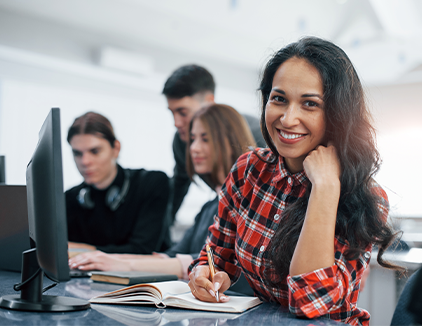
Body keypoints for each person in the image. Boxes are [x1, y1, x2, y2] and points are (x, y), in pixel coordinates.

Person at [187, 37, 405, 325]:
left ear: (337, 114)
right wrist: (203, 273)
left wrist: (325, 188)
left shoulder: (364, 196)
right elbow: (215, 256)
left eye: (310, 104)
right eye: (279, 99)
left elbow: (309, 302)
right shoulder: (248, 170)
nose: (288, 119)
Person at [68, 104, 256, 281]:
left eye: (205, 139)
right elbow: (170, 257)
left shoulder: (249, 202)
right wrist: (104, 259)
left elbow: (212, 263)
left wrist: (121, 264)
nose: (193, 148)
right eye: (192, 139)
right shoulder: (209, 207)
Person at [163, 64, 266, 222]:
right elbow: (178, 187)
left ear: (209, 102)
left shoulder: (258, 134)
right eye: (172, 112)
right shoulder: (180, 142)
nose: (176, 123)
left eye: (183, 112)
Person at [66, 112, 171, 254]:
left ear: (116, 148)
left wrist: (85, 251)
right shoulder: (70, 198)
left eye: (95, 151)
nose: (85, 162)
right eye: (77, 154)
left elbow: (142, 251)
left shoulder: (150, 184)